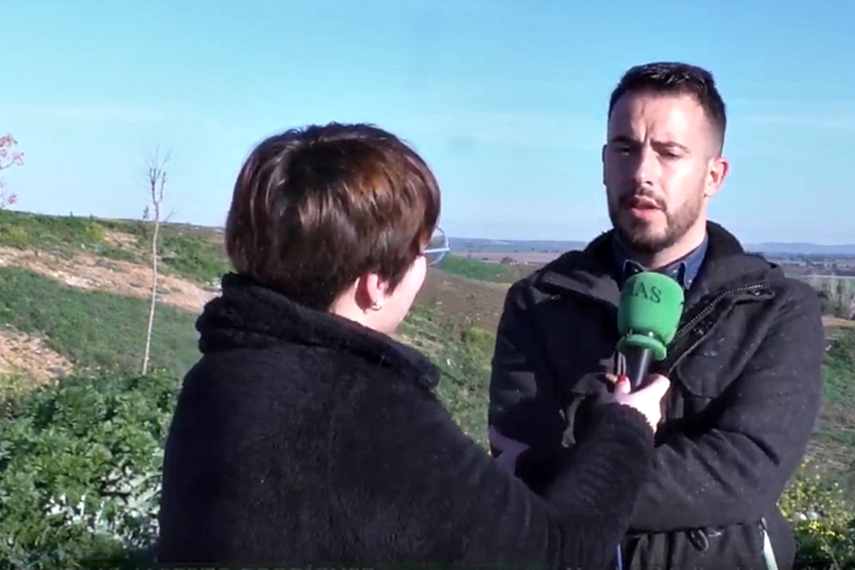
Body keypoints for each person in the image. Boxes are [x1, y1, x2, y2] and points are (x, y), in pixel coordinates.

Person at [154, 122, 674, 567]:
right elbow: (555, 553)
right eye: (423, 249)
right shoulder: (363, 410)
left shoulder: (220, 376)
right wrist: (626, 427)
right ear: (373, 285)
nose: (425, 265)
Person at [486, 62, 826, 570]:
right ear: (604, 163)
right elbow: (521, 465)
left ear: (714, 175)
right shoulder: (540, 302)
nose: (642, 172)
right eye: (625, 149)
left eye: (669, 153)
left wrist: (586, 481)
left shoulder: (776, 312)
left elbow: (743, 474)